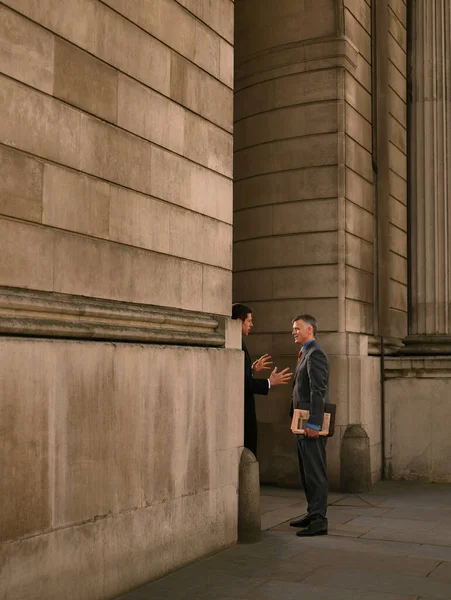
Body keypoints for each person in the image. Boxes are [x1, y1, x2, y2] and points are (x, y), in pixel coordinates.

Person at [232, 303, 292, 456]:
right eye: (249, 321)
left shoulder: (239, 342)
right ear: (239, 321)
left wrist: (252, 370)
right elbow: (244, 384)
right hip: (242, 411)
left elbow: (238, 377)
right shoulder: (236, 344)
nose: (252, 324)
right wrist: (270, 382)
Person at [289, 314, 329, 537]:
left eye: (297, 328)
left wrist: (314, 423)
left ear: (310, 330)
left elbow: (318, 391)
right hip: (301, 425)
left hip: (310, 426)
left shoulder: (316, 354)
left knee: (316, 472)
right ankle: (312, 513)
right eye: (293, 329)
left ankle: (319, 520)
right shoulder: (305, 353)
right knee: (307, 472)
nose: (293, 332)